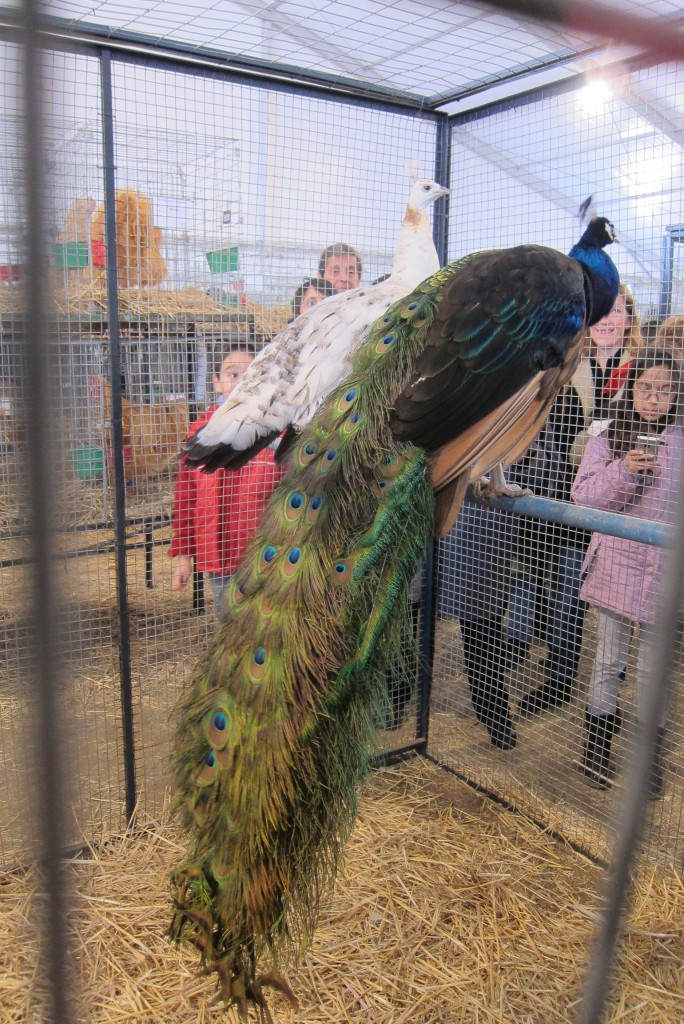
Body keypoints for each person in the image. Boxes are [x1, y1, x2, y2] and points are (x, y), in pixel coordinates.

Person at [510, 284, 644, 716]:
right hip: (559, 491)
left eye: (617, 311)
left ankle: (563, 676)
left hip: (613, 500)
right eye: (601, 313)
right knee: (548, 580)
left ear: (630, 318)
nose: (607, 321)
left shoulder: (642, 369)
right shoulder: (571, 363)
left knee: (572, 589)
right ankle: (550, 658)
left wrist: (595, 443)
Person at [571, 349, 684, 795]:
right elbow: (584, 497)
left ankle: (647, 759)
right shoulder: (608, 436)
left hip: (667, 574)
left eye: (665, 390)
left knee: (653, 671)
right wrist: (624, 470)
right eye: (646, 388)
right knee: (608, 660)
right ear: (630, 390)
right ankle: (596, 747)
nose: (654, 399)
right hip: (617, 566)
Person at [169, 347, 283, 618]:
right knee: (228, 623)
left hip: (268, 557)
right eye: (233, 374)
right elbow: (186, 499)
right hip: (219, 557)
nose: (242, 382)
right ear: (217, 381)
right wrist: (183, 556)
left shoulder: (278, 430)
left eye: (252, 375)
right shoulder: (201, 433)